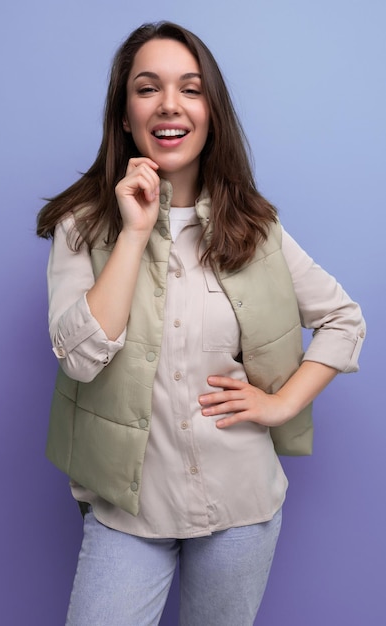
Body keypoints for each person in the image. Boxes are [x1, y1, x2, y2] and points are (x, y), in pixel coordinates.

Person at [36, 21, 365, 626]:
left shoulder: (255, 227)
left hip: (241, 504)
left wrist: (280, 405)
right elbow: (80, 357)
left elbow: (345, 320)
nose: (169, 105)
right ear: (125, 111)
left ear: (211, 111)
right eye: (147, 88)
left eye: (190, 88)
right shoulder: (82, 225)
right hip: (127, 510)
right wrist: (135, 233)